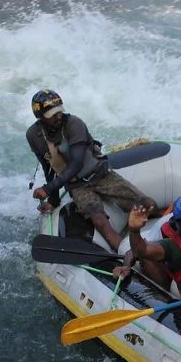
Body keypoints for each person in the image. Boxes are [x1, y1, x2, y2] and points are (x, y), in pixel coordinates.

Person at [26, 89, 157, 251]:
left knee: (148, 205)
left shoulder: (74, 124)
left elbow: (76, 165)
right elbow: (49, 168)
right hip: (77, 186)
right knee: (99, 221)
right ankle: (130, 256)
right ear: (40, 117)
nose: (58, 116)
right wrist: (53, 201)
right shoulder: (34, 135)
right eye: (52, 114)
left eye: (59, 111)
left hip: (101, 175)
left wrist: (48, 188)